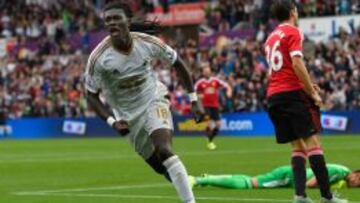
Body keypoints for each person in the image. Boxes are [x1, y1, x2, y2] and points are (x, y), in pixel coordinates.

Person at [83, 1, 205, 203]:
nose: (111, 23)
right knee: (160, 166)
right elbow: (91, 95)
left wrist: (194, 99)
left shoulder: (147, 42)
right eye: (108, 20)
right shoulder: (99, 58)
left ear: (128, 21)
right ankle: (184, 180)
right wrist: (113, 122)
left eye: (116, 18)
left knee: (164, 149)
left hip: (153, 100)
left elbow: (179, 64)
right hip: (128, 116)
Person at [264, 1, 347, 203]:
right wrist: (311, 92)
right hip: (292, 96)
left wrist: (308, 84)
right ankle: (327, 197)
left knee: (297, 147)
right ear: (293, 12)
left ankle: (300, 195)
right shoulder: (294, 32)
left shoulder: (270, 37)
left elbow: (277, 71)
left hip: (274, 96)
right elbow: (296, 62)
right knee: (313, 144)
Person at [189, 164, 360, 189]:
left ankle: (209, 177)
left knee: (250, 179)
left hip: (291, 175)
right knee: (248, 184)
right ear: (357, 174)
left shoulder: (342, 175)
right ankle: (199, 180)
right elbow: (309, 184)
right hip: (289, 176)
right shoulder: (339, 172)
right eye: (359, 182)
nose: (356, 185)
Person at [194, 64, 232, 150]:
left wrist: (229, 91)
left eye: (208, 70)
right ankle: (210, 142)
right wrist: (198, 95)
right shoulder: (200, 82)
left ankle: (210, 139)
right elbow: (192, 91)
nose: (207, 72)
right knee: (210, 124)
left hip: (215, 106)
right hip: (206, 106)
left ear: (210, 71)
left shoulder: (215, 81)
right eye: (205, 71)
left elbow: (227, 86)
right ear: (203, 73)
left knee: (218, 125)